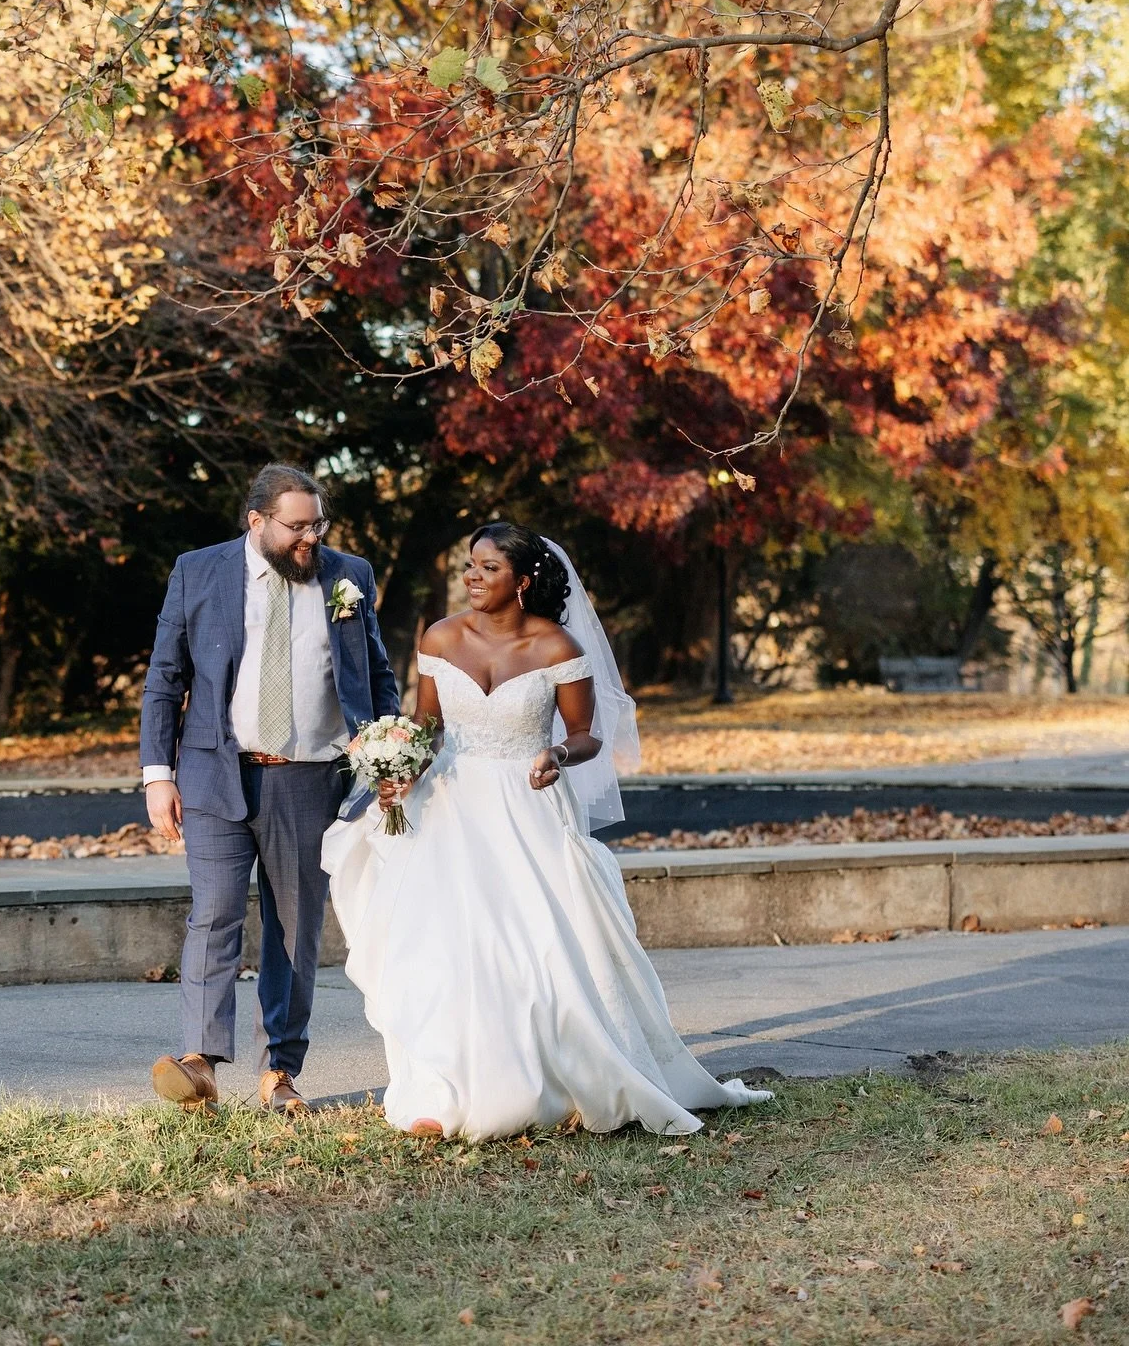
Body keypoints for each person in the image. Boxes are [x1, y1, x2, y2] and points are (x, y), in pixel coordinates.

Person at [322, 522, 771, 1141]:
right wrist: (398, 771)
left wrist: (558, 755)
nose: (472, 577)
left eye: (488, 568)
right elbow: (425, 725)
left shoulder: (557, 647)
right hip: (451, 808)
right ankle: (439, 1091)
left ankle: (559, 1077)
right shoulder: (441, 637)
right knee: (445, 949)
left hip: (527, 807)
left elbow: (588, 734)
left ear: (523, 581)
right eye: (469, 565)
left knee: (538, 949)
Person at [142, 463, 399, 1114]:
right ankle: (199, 1062)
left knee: (294, 930)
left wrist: (385, 751)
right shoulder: (198, 572)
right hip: (214, 771)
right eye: (297, 526)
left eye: (319, 523)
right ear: (256, 521)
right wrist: (158, 775)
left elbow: (376, 674)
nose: (311, 537)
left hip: (311, 779)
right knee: (215, 913)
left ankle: (280, 1072)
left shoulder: (349, 576)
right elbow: (165, 679)